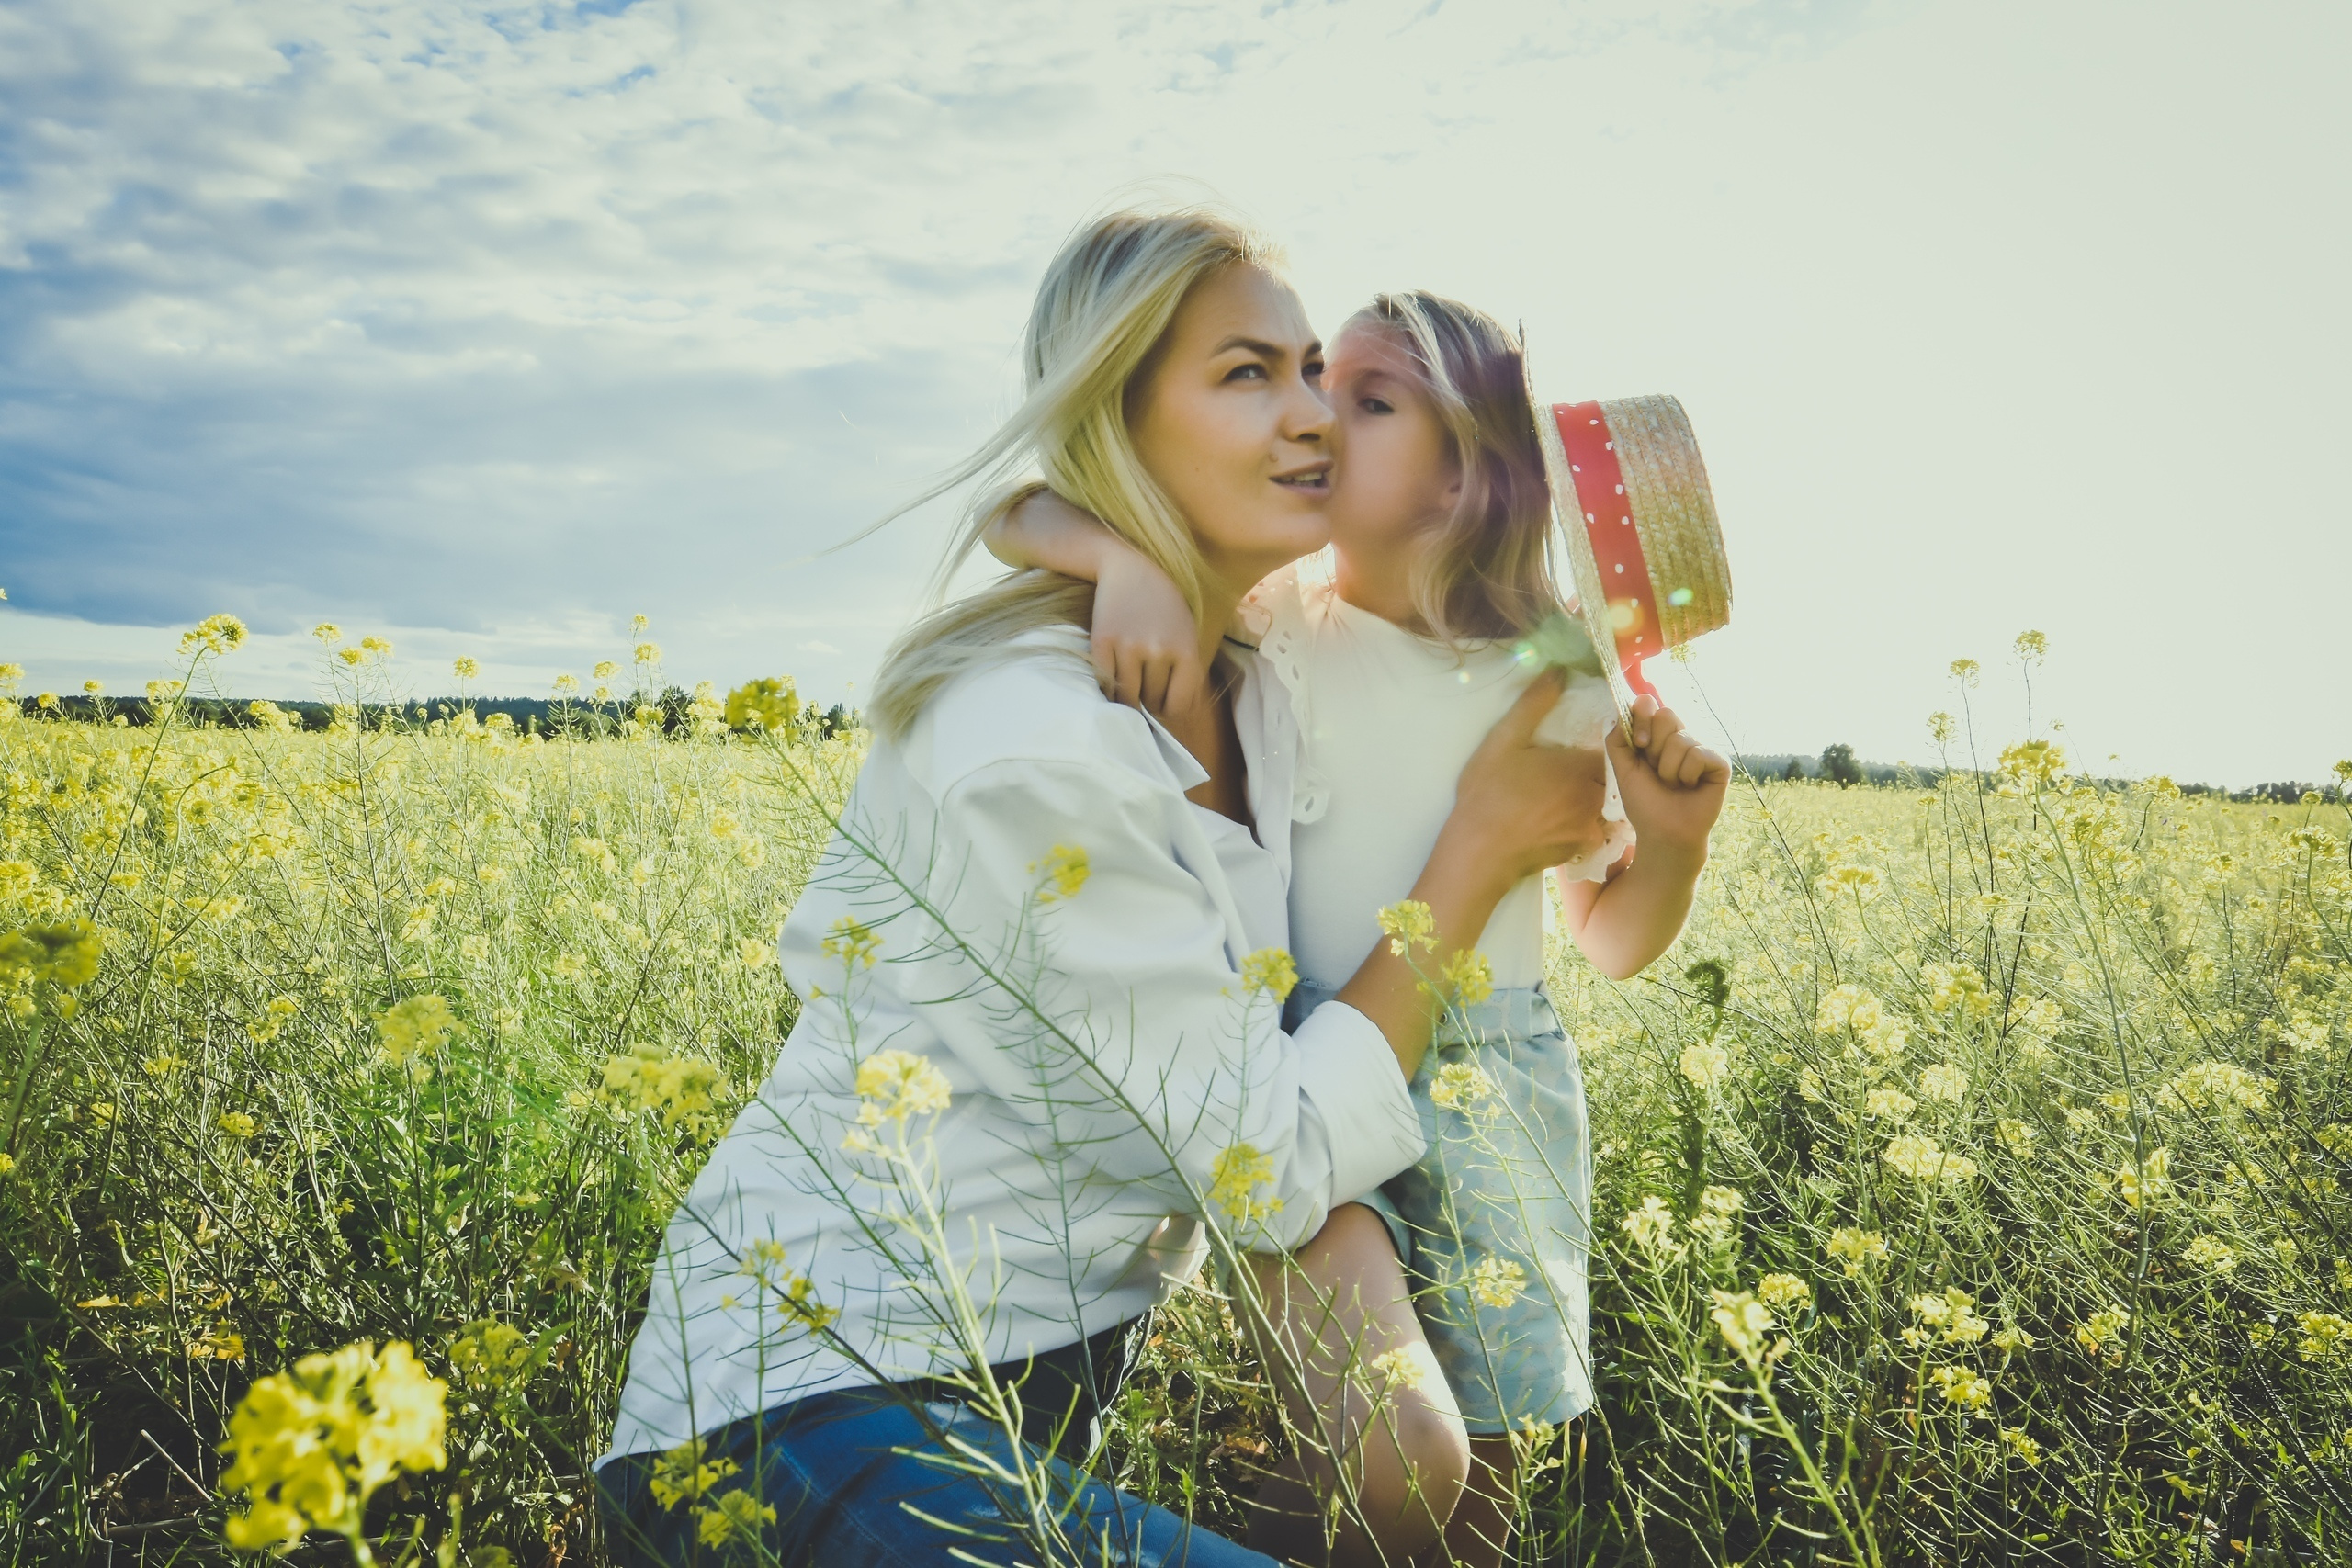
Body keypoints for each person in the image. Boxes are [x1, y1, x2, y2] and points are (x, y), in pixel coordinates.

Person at [594, 213, 1611, 1568]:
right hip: (801, 1409)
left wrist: (1118, 551)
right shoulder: (1036, 741)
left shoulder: (1256, 683)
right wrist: (1476, 855)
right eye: (1249, 374)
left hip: (1015, 1403)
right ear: (1114, 424)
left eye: (1317, 372)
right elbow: (1271, 1170)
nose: (1313, 414)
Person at [986, 290, 1731, 1567]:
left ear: (1466, 481)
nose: (1318, 411)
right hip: (1310, 1066)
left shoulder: (1553, 675)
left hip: (1498, 1092)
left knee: (1480, 1493)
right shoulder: (1270, 609)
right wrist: (1130, 560)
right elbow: (1013, 512)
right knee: (1383, 1437)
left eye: (1371, 399)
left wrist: (1675, 843)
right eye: (1324, 376)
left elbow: (1605, 939)